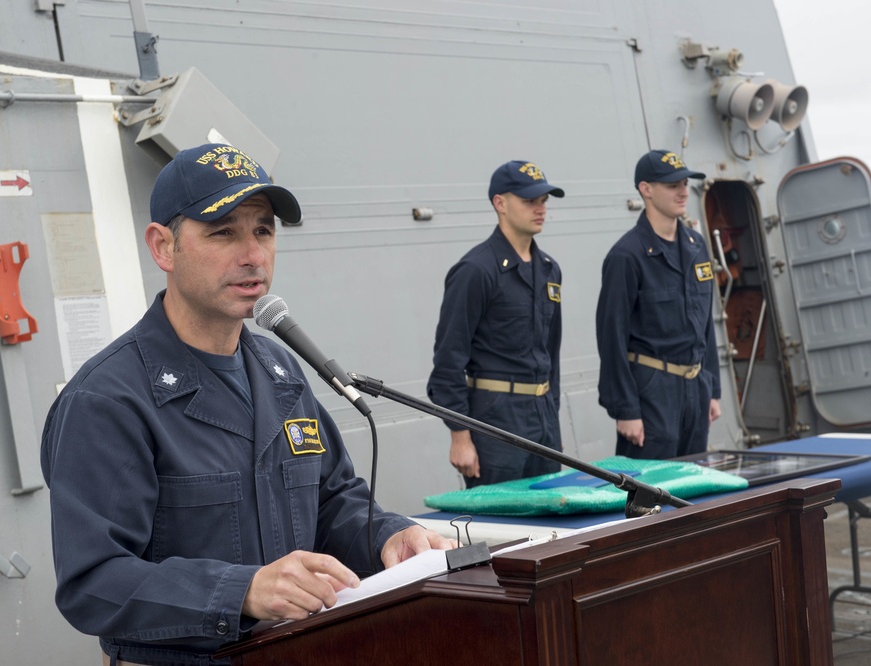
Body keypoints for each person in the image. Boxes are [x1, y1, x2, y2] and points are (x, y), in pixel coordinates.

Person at [40, 142, 454, 666]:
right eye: (223, 231)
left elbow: (331, 500)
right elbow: (92, 581)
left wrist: (390, 537)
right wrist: (241, 591)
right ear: (163, 247)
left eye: (263, 229)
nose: (252, 254)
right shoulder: (109, 398)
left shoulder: (279, 371)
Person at [427, 160, 565, 487]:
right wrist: (460, 437)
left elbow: (551, 353)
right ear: (500, 203)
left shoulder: (549, 269)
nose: (540, 209)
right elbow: (448, 360)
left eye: (544, 201)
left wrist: (552, 422)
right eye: (530, 201)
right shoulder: (476, 270)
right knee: (502, 527)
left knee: (552, 526)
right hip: (496, 423)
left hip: (542, 418)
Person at [596, 149, 722, 460]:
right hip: (652, 391)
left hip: (695, 388)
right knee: (649, 497)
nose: (683, 192)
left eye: (684, 184)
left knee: (693, 483)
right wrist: (625, 409)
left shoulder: (696, 245)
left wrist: (712, 388)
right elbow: (611, 337)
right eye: (672, 185)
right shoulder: (626, 256)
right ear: (646, 190)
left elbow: (705, 325)